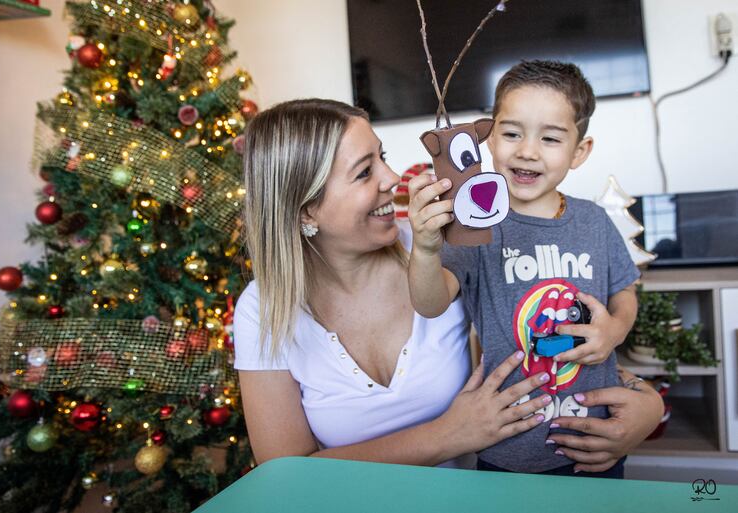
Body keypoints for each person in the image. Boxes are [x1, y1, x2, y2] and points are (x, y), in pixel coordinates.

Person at [234, 98, 663, 472]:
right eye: (365, 172)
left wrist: (647, 405)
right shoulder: (263, 309)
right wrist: (448, 435)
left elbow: (540, 343)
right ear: (306, 210)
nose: (393, 177)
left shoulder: (447, 250)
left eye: (382, 157)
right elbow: (285, 470)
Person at [408, 61, 642, 477]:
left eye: (550, 138)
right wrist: (426, 248)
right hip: (507, 450)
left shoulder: (593, 221)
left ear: (579, 151)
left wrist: (616, 329)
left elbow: (624, 290)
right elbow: (430, 302)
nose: (527, 151)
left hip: (595, 444)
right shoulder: (473, 225)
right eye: (512, 133)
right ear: (490, 137)